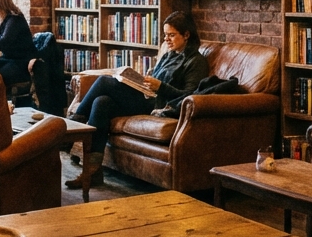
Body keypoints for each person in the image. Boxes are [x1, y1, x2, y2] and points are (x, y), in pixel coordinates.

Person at [65, 11, 210, 193]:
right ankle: (93, 172)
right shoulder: (169, 55)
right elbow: (154, 82)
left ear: (187, 35)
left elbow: (189, 95)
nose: (167, 40)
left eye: (172, 35)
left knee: (103, 82)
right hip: (147, 97)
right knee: (101, 102)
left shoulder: (196, 62)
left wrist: (161, 86)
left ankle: (71, 130)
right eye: (165, 35)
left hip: (158, 106)